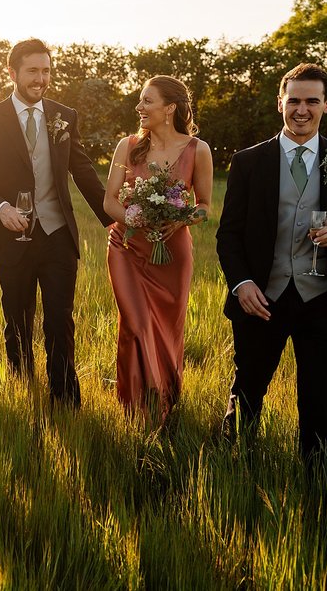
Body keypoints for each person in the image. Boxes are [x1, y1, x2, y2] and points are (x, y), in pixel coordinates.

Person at [217, 63, 327, 471]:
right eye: (295, 101)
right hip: (262, 298)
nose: (302, 110)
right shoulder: (249, 162)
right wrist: (242, 284)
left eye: (312, 101)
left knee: (320, 398)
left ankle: (320, 482)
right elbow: (228, 235)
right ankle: (233, 470)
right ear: (280, 103)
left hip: (321, 298)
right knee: (248, 389)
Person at [0, 38, 112, 407]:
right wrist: (1, 209)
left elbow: (82, 171)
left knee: (60, 320)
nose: (41, 78)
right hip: (11, 236)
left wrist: (113, 222)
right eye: (33, 70)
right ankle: (22, 393)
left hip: (57, 234)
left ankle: (64, 399)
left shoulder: (64, 115)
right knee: (17, 320)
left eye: (46, 70)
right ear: (12, 73)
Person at [103, 76, 213, 421]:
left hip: (172, 253)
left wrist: (180, 219)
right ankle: (133, 407)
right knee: (134, 323)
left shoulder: (199, 150)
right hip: (126, 246)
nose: (139, 108)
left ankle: (164, 404)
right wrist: (135, 218)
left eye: (147, 101)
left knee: (167, 328)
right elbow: (109, 201)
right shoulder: (129, 145)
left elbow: (205, 205)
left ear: (170, 108)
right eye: (139, 101)